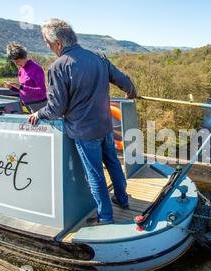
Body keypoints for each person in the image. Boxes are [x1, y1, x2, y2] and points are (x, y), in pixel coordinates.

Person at [29, 19, 137, 226]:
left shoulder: (57, 68)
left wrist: (39, 114)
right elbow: (124, 81)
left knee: (95, 175)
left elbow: (56, 109)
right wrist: (132, 92)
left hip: (84, 131)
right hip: (105, 125)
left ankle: (105, 217)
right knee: (113, 163)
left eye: (47, 42)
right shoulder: (98, 57)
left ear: (58, 43)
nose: (47, 46)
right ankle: (122, 200)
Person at [4, 42, 47, 113]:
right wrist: (12, 87)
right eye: (15, 62)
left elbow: (42, 90)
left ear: (24, 57)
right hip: (28, 105)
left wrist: (20, 87)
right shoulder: (21, 70)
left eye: (18, 61)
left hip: (39, 104)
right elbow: (23, 90)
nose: (17, 64)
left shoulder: (36, 69)